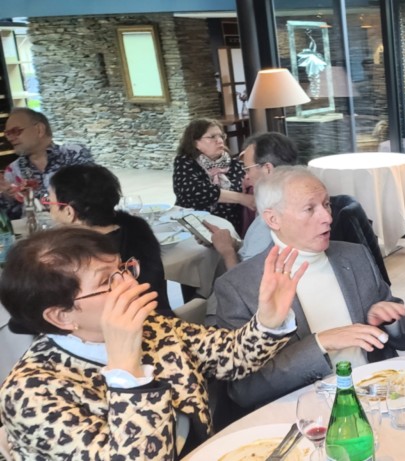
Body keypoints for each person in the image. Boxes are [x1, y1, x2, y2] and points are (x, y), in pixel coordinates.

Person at [0, 227, 304, 458]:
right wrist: (125, 371)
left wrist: (268, 321)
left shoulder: (152, 328)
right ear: (62, 316)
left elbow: (230, 358)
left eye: (123, 269)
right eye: (107, 281)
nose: (131, 283)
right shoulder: (31, 392)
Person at [211, 167, 405, 409]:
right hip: (304, 413)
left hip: (380, 397)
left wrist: (391, 321)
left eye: (326, 204)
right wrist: (320, 343)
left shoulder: (354, 256)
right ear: (273, 219)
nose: (327, 217)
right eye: (310, 209)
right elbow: (245, 389)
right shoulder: (239, 286)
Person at [47, 164, 173, 316]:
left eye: (49, 202)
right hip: (162, 317)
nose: (48, 209)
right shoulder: (137, 229)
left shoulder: (75, 253)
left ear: (69, 211)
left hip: (125, 327)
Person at [206, 132, 300, 269]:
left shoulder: (270, 219)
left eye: (247, 169)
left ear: (267, 169)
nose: (246, 177)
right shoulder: (292, 199)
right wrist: (232, 243)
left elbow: (245, 280)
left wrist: (227, 252)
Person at [0, 107, 93, 219]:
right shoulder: (13, 171)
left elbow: (93, 196)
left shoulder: (73, 154)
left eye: (15, 131)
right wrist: (8, 197)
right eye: (8, 134)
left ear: (39, 129)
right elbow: (11, 219)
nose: (10, 138)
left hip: (77, 227)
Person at [172, 119, 252, 234]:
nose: (220, 141)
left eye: (221, 136)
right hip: (197, 227)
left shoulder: (235, 163)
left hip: (232, 227)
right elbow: (195, 191)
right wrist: (241, 198)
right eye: (212, 137)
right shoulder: (184, 162)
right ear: (195, 142)